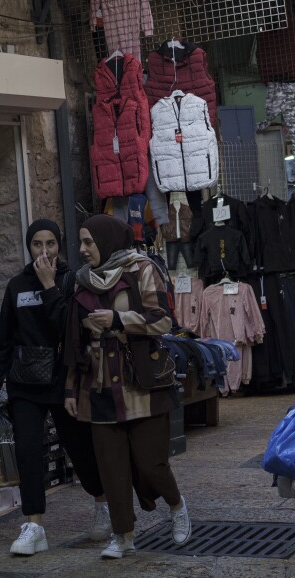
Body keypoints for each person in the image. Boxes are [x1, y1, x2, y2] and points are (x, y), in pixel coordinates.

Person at [65, 214, 188, 560]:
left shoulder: (141, 269)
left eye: (89, 242)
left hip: (141, 382)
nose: (84, 249)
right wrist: (71, 389)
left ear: (106, 241)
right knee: (111, 465)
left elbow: (163, 319)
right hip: (99, 383)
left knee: (151, 463)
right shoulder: (81, 282)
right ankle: (123, 535)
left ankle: (178, 507)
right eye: (82, 242)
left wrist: (119, 320)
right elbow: (74, 341)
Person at [0, 219, 109, 556]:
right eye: (37, 244)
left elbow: (70, 330)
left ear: (59, 246)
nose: (44, 251)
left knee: (79, 447)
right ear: (29, 247)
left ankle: (102, 504)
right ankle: (34, 525)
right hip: (24, 381)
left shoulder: (72, 281)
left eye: (50, 243)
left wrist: (49, 284)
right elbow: (4, 337)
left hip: (62, 378)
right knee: (27, 451)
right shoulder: (16, 286)